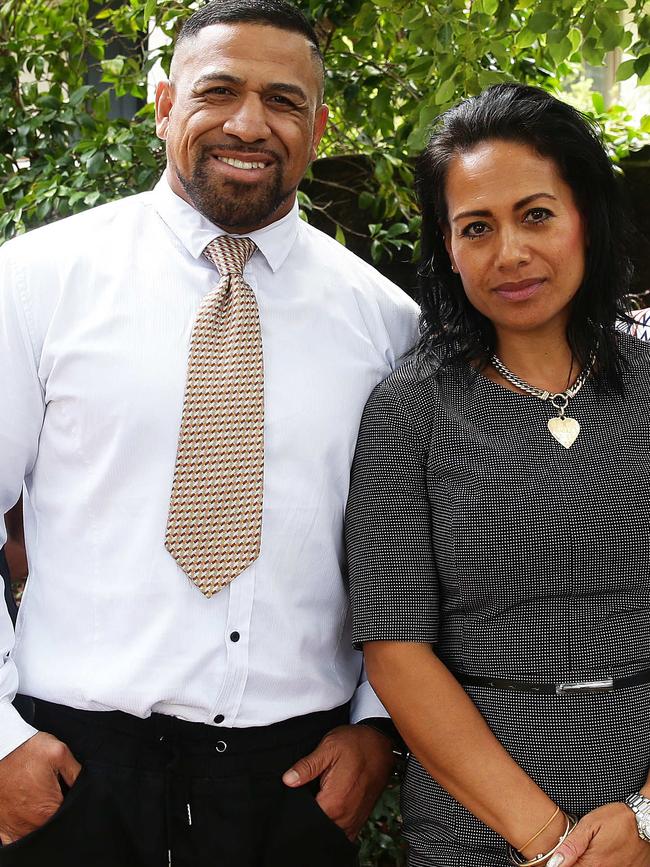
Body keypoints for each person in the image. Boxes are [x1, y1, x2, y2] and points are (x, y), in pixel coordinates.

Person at [0, 1, 418, 864]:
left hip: (294, 780)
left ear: (318, 124)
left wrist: (379, 725)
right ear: (163, 106)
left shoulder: (386, 322)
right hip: (73, 771)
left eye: (284, 100)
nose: (248, 123)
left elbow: (411, 553)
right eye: (218, 90)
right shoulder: (35, 284)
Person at [346, 83, 650, 867]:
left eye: (536, 214)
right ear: (449, 249)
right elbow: (395, 649)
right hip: (479, 827)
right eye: (476, 227)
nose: (509, 252)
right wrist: (553, 846)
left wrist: (644, 822)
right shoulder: (409, 411)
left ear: (586, 215)